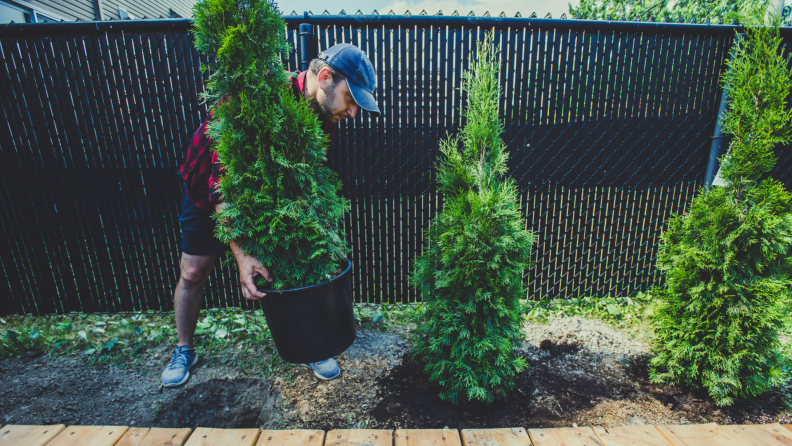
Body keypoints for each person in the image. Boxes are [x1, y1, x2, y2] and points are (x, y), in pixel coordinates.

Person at [161, 43, 381, 387]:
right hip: (208, 191)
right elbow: (222, 188)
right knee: (192, 271)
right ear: (324, 78)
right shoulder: (257, 95)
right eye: (351, 100)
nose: (353, 113)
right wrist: (244, 255)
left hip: (271, 204)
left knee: (297, 266)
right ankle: (183, 348)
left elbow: (305, 178)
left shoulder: (324, 122)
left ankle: (312, 347)